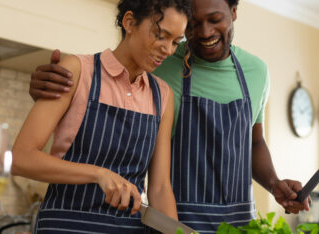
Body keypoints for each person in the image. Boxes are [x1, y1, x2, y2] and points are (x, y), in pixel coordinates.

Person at [29, 0, 311, 233]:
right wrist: (52, 86)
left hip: (238, 224)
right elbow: (108, 77)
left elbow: (254, 142)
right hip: (174, 220)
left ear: (234, 12)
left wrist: (275, 184)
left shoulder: (256, 72)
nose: (204, 32)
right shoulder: (158, 65)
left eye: (215, 19)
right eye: (194, 25)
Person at [11, 0, 190, 233]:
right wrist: (98, 174)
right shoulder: (78, 70)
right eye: (161, 35)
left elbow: (160, 188)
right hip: (66, 226)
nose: (168, 49)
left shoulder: (163, 95)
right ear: (129, 22)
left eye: (176, 42)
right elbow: (20, 158)